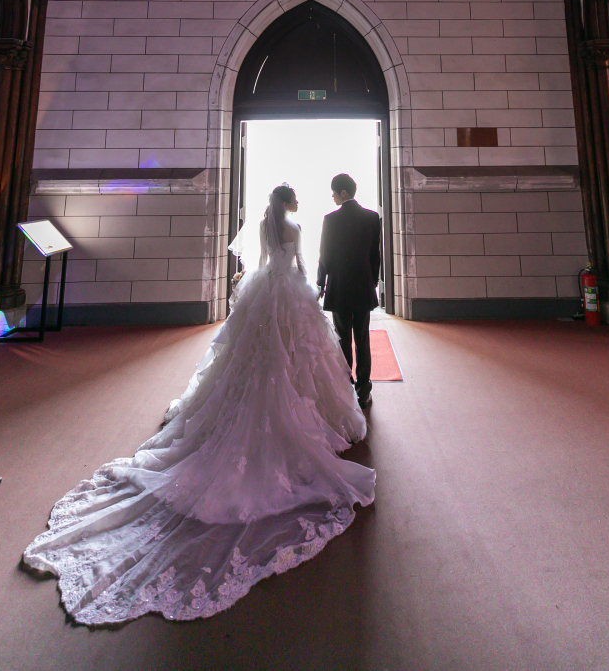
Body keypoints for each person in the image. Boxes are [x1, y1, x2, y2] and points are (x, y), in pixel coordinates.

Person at [22, 184, 375, 625]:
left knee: (251, 358)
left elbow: (265, 262)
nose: (300, 202)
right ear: (289, 202)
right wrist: (312, 290)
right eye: (297, 197)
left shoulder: (266, 223)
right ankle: (324, 407)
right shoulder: (295, 225)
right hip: (289, 293)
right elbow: (298, 262)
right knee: (299, 357)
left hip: (265, 291)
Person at [317, 173, 381, 410]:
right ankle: (363, 392)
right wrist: (372, 282)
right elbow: (375, 256)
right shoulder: (372, 218)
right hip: (363, 287)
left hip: (340, 288)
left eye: (333, 192)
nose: (332, 196)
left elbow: (325, 256)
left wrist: (321, 283)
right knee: (362, 339)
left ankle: (346, 388)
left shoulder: (330, 220)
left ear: (343, 193)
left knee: (343, 339)